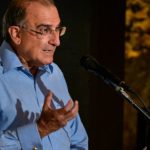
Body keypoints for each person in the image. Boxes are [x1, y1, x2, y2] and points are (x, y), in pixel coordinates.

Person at [0, 0, 88, 149]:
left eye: (57, 29)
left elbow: (78, 140)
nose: (56, 41)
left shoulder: (55, 73)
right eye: (45, 30)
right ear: (16, 34)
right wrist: (40, 129)